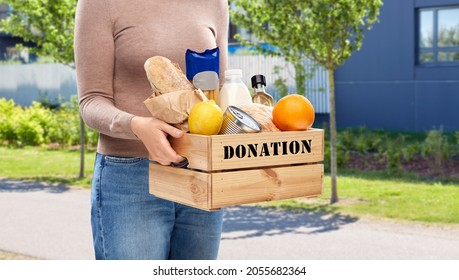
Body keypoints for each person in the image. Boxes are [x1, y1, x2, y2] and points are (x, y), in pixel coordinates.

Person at [74, 0, 228, 260]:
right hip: (130, 178)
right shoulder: (99, 4)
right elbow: (91, 101)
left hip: (200, 175)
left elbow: (218, 93)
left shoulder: (215, 3)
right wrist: (137, 126)